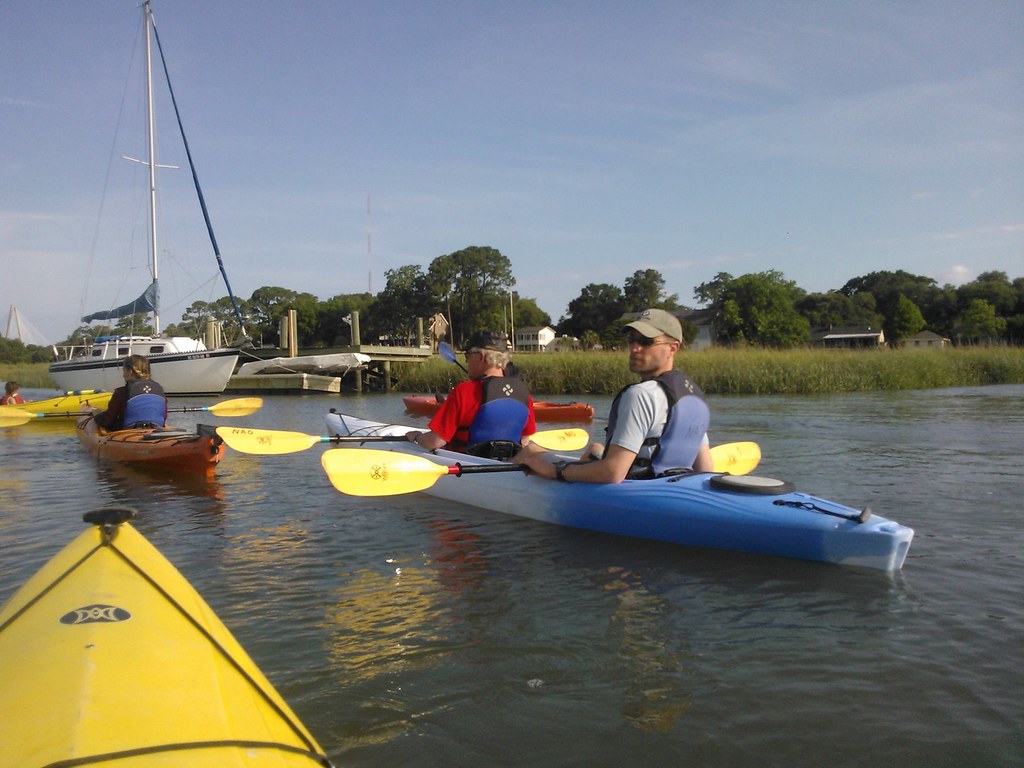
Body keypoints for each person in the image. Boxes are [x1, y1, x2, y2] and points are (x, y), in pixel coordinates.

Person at [515, 308, 712, 483]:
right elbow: (705, 470)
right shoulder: (694, 397)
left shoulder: (640, 395)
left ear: (673, 348)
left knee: (531, 451)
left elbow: (612, 473)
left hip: (636, 492)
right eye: (632, 340)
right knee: (595, 449)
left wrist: (553, 471)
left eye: (645, 341)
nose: (635, 348)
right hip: (673, 487)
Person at [406, 330, 536, 460]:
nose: (466, 361)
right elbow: (525, 440)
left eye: (468, 355)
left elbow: (435, 442)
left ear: (481, 357)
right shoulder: (524, 393)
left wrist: (416, 437)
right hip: (508, 468)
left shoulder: (463, 391)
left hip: (466, 468)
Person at [93, 354, 168, 431]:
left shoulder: (121, 392)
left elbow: (107, 421)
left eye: (124, 371)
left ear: (130, 371)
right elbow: (164, 417)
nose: (123, 375)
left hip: (129, 432)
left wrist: (96, 415)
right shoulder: (160, 390)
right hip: (156, 430)